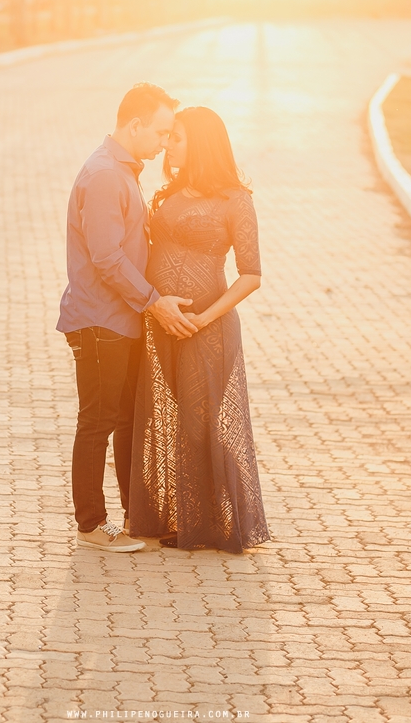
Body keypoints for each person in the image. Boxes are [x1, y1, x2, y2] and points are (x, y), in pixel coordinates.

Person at [56, 83, 197, 553]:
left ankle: (136, 517)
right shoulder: (103, 176)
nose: (163, 141)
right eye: (159, 131)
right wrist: (155, 300)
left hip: (122, 319)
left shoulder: (123, 172)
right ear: (134, 125)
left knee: (123, 420)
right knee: (97, 421)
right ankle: (93, 526)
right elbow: (106, 258)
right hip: (100, 321)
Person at [129, 106, 270, 554]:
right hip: (162, 324)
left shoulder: (235, 200)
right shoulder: (167, 193)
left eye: (178, 138)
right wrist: (156, 308)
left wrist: (203, 319)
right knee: (166, 421)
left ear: (203, 144)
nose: (169, 144)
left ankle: (215, 524)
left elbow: (251, 275)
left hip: (206, 328)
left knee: (198, 424)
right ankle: (178, 517)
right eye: (169, 137)